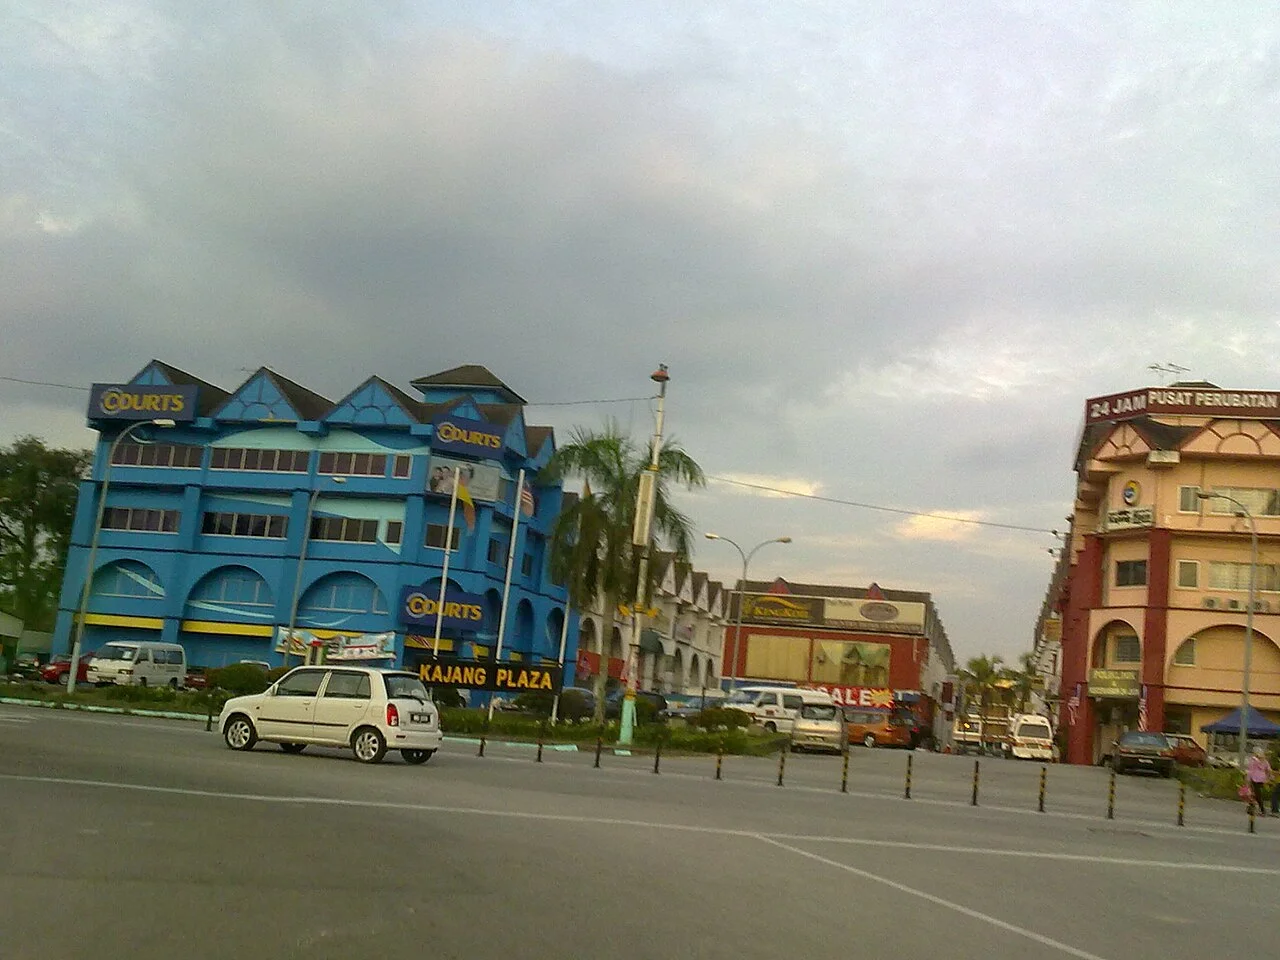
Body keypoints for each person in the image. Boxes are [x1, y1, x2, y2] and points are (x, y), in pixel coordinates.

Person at [1245, 746, 1271, 816]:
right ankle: (1254, 808)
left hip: (1254, 779)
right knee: (1256, 794)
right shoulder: (1265, 761)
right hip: (1262, 779)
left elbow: (1250, 771)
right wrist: (1267, 778)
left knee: (1254, 794)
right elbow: (1268, 770)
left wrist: (1247, 780)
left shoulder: (1253, 760)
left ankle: (1261, 809)